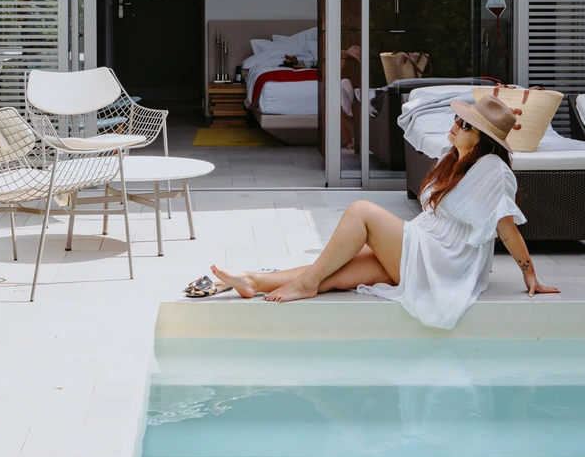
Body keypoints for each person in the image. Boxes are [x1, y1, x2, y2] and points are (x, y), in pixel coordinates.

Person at [196, 94, 559, 330]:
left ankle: (303, 284)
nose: (455, 125)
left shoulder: (493, 171)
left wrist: (530, 274)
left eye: (465, 125)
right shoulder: (454, 159)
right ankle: (253, 280)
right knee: (337, 273)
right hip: (425, 247)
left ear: (483, 138)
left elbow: (506, 226)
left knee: (361, 211)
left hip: (443, 260)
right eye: (459, 119)